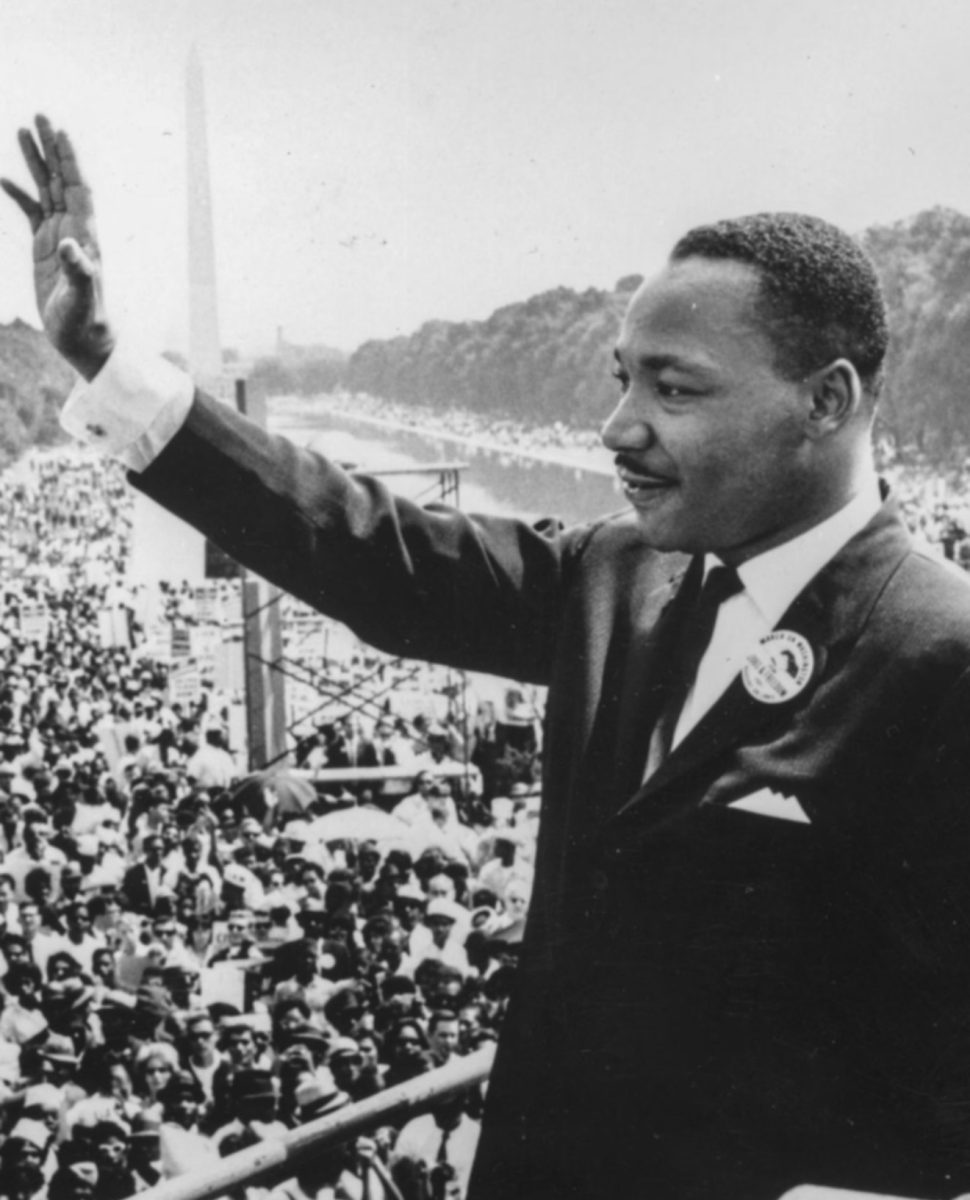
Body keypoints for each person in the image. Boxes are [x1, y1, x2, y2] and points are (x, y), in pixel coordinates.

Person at [9, 116, 970, 1200]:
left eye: (674, 388)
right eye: (619, 379)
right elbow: (367, 547)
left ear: (826, 401)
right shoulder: (617, 575)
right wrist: (105, 360)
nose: (616, 426)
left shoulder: (941, 656)